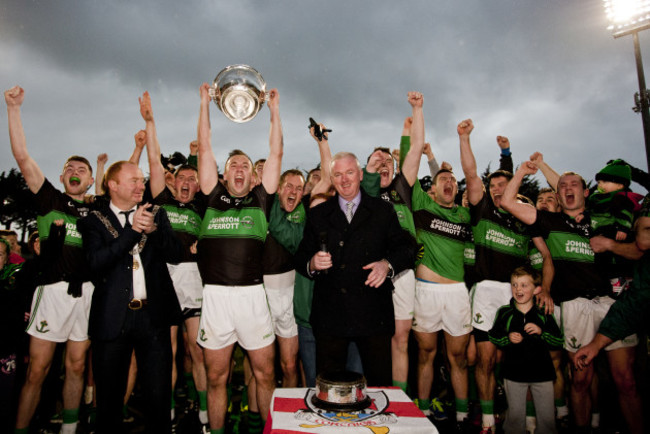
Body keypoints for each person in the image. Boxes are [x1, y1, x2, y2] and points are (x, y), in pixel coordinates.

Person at [500, 161, 642, 434]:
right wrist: (521, 172)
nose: (567, 188)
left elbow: (638, 251)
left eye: (574, 184)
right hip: (575, 306)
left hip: (612, 303)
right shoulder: (549, 221)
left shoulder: (603, 219)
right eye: (562, 185)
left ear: (586, 192)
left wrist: (611, 244)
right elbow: (508, 202)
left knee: (626, 381)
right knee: (580, 380)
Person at [6, 85, 95, 434]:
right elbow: (23, 157)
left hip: (85, 294)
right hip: (53, 293)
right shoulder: (49, 200)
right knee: (38, 370)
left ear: (90, 181)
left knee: (76, 367)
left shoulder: (95, 211)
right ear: (61, 177)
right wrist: (14, 109)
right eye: (70, 166)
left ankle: (69, 429)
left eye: (82, 169)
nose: (75, 170)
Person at [195, 82, 283, 433]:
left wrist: (275, 112)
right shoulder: (210, 195)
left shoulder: (262, 199)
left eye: (245, 165)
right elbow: (204, 147)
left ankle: (269, 429)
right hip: (215, 297)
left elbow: (275, 155)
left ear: (253, 174)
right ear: (223, 173)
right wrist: (204, 103)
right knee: (217, 378)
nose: (239, 169)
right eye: (233, 164)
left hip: (251, 295)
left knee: (265, 374)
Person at [458, 120, 552, 434]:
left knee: (517, 359)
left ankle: (524, 417)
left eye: (504, 185)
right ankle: (487, 420)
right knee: (484, 359)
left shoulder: (524, 220)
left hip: (517, 295)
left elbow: (546, 259)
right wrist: (465, 138)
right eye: (494, 185)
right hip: (486, 293)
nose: (498, 190)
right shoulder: (482, 208)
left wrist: (544, 288)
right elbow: (472, 175)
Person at [78, 160, 183, 433]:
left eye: (142, 180)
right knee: (109, 401)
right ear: (113, 185)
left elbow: (175, 254)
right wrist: (132, 231)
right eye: (134, 180)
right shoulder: (93, 220)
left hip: (153, 319)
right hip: (112, 318)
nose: (141, 185)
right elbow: (94, 263)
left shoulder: (156, 213)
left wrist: (154, 232)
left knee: (158, 398)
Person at [294, 150, 415, 386]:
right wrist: (312, 263)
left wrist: (386, 265)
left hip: (372, 315)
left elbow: (407, 249)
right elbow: (299, 257)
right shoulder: (318, 214)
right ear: (331, 178)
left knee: (379, 387)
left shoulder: (382, 211)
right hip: (330, 317)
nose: (344, 179)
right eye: (337, 174)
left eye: (349, 172)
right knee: (329, 390)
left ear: (360, 175)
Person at [137, 91, 210, 426]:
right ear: (173, 182)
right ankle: (164, 415)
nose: (187, 182)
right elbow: (153, 161)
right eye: (182, 178)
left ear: (198, 187)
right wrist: (150, 122)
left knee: (197, 351)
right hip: (163, 280)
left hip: (193, 280)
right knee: (167, 354)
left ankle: (205, 413)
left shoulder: (201, 206)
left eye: (192, 179)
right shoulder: (161, 198)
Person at [488, 266, 563, 434]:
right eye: (514, 285)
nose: (518, 289)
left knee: (547, 419)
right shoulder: (504, 312)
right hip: (513, 374)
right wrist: (508, 339)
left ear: (537, 289)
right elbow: (493, 336)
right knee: (514, 418)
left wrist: (541, 332)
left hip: (542, 373)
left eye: (524, 285)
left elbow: (559, 339)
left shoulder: (544, 312)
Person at [263, 169, 307, 389]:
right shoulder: (261, 210)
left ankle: (288, 419)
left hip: (290, 295)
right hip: (263, 297)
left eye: (299, 188)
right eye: (288, 186)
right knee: (263, 369)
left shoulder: (303, 217)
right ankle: (259, 421)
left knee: (290, 365)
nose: (293, 191)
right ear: (278, 188)